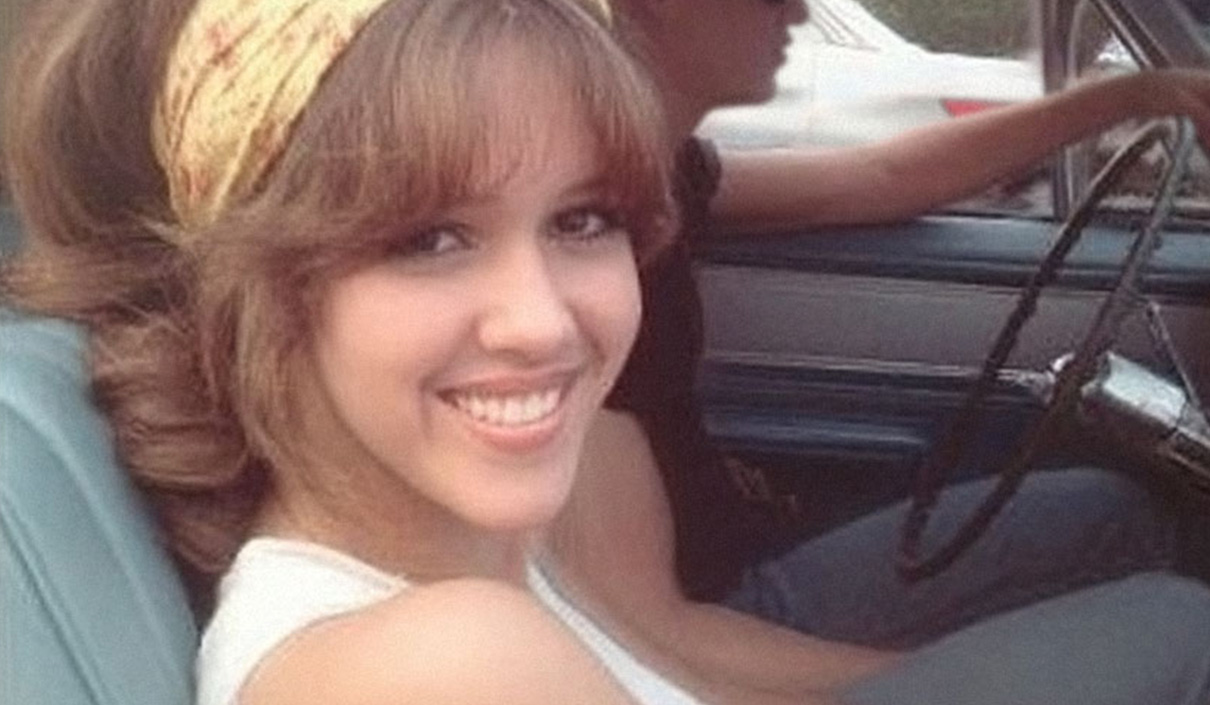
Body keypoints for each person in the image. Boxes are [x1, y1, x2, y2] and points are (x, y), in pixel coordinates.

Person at [1, 0, 780, 703]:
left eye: (582, 221)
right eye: (430, 240)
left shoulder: (473, 542)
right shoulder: (453, 663)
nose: (541, 322)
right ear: (258, 290)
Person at [543, 0, 1210, 703]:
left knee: (1117, 512)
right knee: (1199, 627)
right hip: (719, 634)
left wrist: (1120, 98)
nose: (798, 12)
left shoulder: (661, 178)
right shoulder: (581, 267)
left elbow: (877, 178)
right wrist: (943, 668)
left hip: (744, 564)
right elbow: (653, 639)